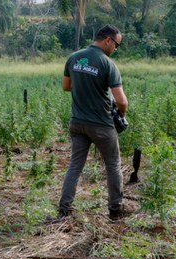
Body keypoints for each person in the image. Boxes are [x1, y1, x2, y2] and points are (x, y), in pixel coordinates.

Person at [58, 24, 135, 221]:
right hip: (101, 125)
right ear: (108, 40)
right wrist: (121, 115)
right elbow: (122, 101)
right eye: (116, 45)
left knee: (75, 166)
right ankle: (115, 209)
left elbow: (66, 86)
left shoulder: (74, 58)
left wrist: (85, 85)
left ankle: (64, 209)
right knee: (113, 165)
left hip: (77, 123)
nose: (116, 49)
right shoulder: (108, 64)